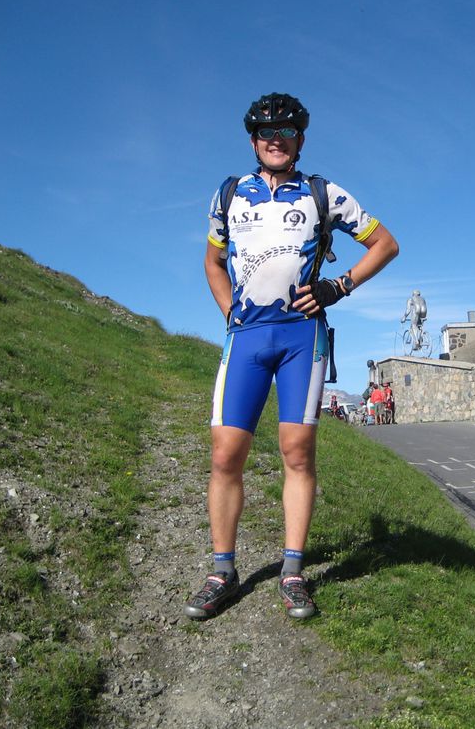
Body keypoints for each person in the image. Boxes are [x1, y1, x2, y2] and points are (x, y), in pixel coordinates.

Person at [185, 93, 399, 621]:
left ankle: (294, 571)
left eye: (285, 131)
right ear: (253, 141)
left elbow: (385, 244)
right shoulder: (230, 194)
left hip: (303, 336)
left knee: (297, 453)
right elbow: (213, 261)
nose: (274, 139)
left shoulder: (322, 193)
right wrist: (227, 307)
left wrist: (339, 286)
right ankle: (222, 571)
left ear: (299, 139)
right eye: (264, 132)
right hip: (248, 339)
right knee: (224, 455)